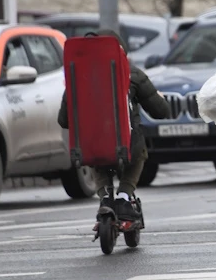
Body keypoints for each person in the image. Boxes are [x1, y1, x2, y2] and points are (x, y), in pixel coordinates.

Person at [58, 28, 170, 221]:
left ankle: (105, 199)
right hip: (127, 146)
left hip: (91, 146)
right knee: (139, 155)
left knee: (98, 162)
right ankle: (124, 197)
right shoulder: (132, 76)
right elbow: (161, 111)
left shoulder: (77, 80)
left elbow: (64, 121)